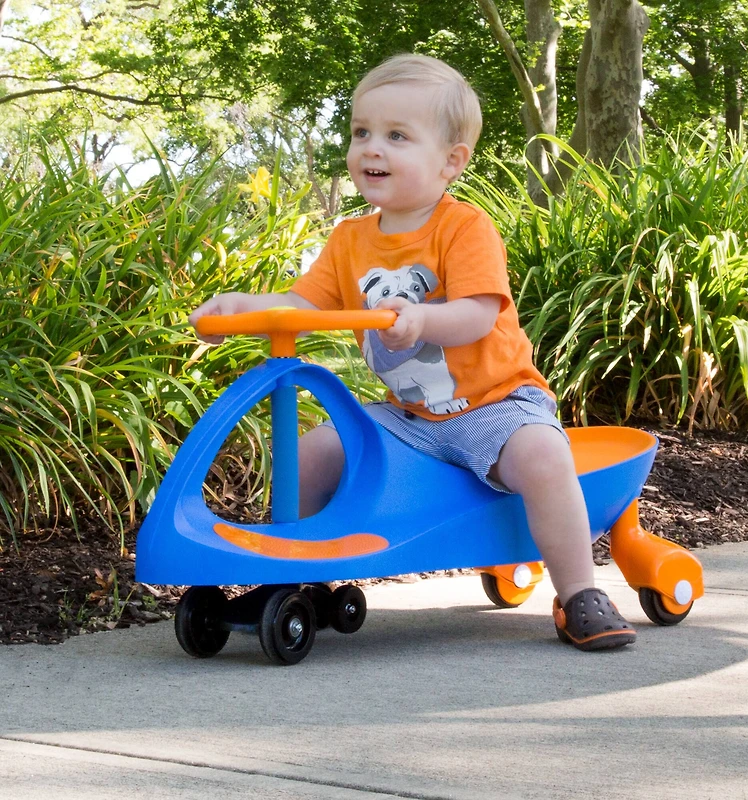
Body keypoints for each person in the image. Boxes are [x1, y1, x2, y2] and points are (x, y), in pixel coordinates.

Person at [189, 54, 636, 651]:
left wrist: (422, 318)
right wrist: (242, 307)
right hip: (408, 415)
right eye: (361, 133)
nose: (372, 149)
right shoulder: (349, 239)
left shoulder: (463, 227)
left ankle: (580, 591)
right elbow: (302, 303)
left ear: (452, 160)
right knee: (315, 452)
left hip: (495, 403)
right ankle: (294, 575)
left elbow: (480, 312)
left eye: (397, 136)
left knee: (545, 457)